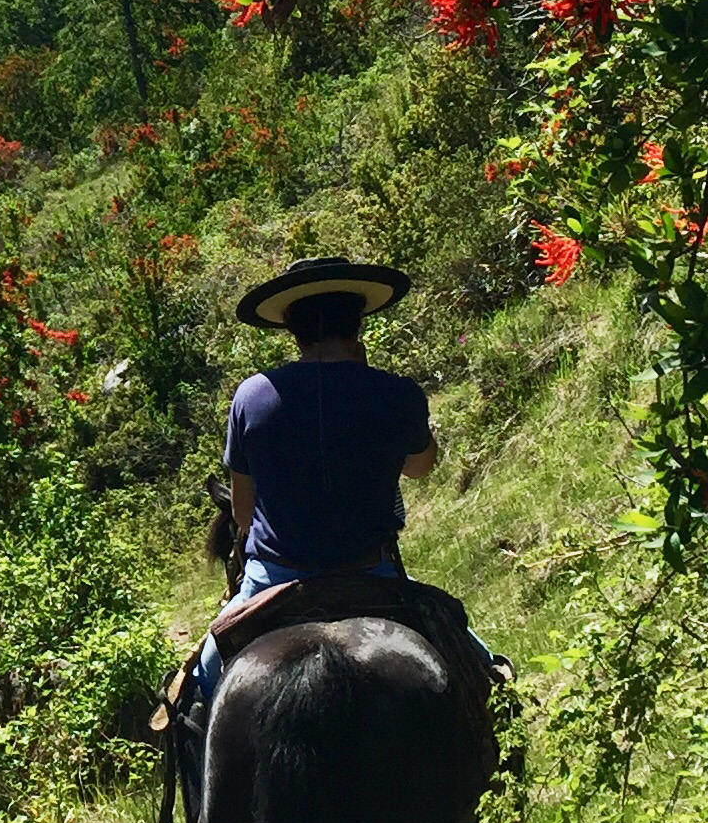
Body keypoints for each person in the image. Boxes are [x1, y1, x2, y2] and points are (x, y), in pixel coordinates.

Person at [190, 256, 487, 715]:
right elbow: (420, 467)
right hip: (373, 574)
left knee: (197, 691)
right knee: (481, 669)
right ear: (357, 322)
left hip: (273, 578)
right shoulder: (396, 392)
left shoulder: (252, 394)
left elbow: (244, 516)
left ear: (293, 328)